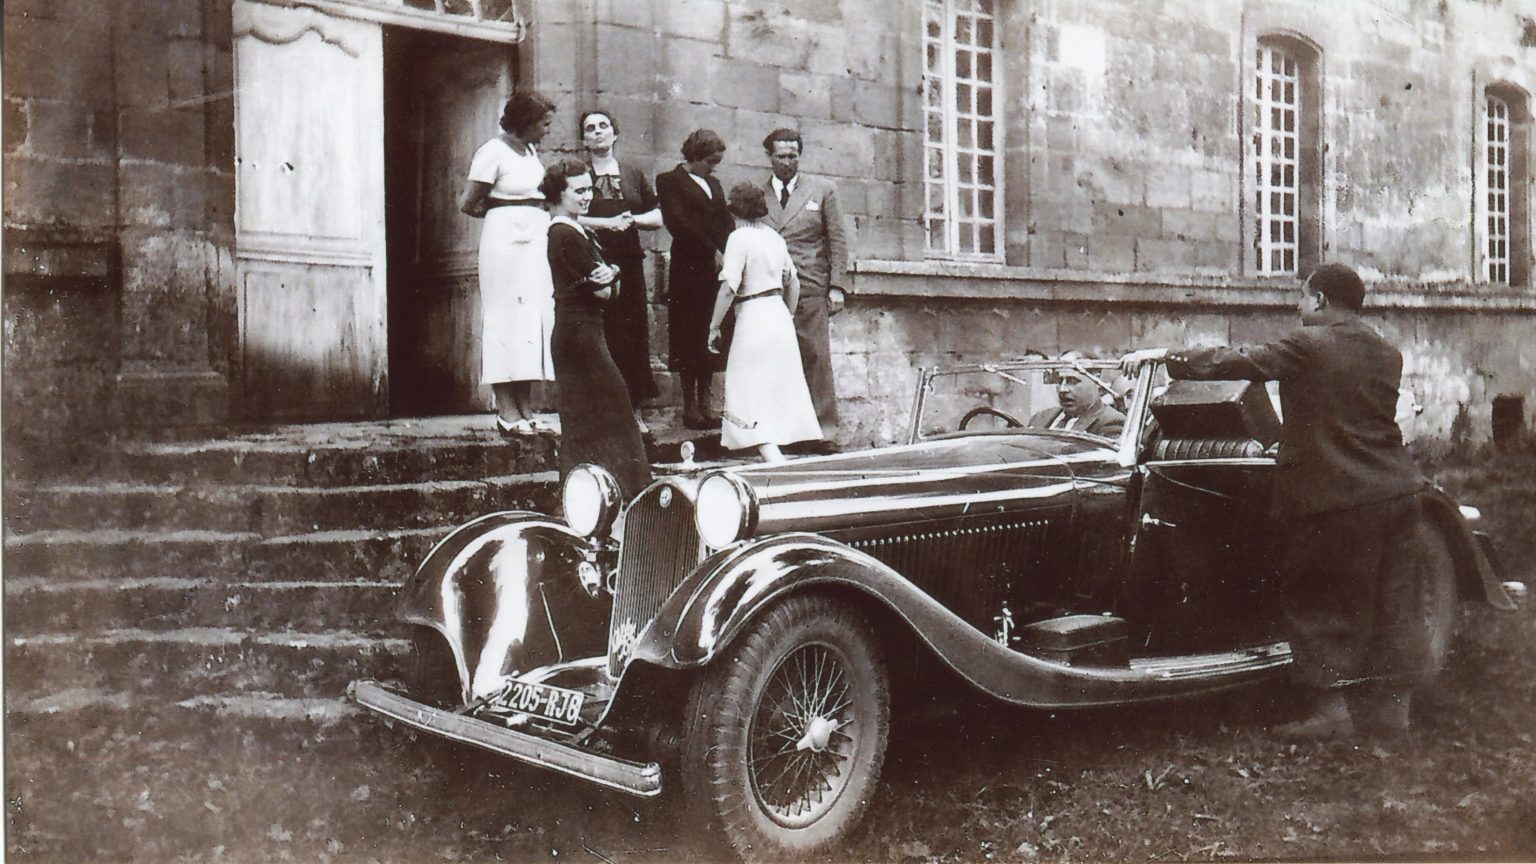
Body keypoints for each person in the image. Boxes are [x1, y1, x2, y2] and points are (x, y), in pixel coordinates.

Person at [1121, 263, 1430, 741]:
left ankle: (1332, 712)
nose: (1298, 306)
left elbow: (1240, 361)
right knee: (1396, 601)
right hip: (1398, 489)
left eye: (1303, 297)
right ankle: (1396, 712)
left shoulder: (1309, 344)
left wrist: (1166, 357)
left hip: (1335, 495)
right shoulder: (1387, 351)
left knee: (1320, 598)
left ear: (1322, 300)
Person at [543, 158, 651, 496]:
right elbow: (604, 291)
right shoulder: (563, 234)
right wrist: (613, 275)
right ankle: (621, 496)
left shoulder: (578, 231)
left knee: (590, 419)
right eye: (579, 191)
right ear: (558, 195)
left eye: (589, 188)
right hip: (579, 337)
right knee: (612, 414)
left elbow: (610, 289)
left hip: (584, 332)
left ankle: (594, 496)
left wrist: (614, 274)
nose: (587, 196)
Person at [460, 91, 558, 436]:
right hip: (505, 246)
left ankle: (527, 411)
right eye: (543, 124)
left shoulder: (531, 152)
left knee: (531, 322)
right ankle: (506, 412)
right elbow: (468, 203)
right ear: (525, 121)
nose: (547, 130)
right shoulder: (493, 151)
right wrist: (507, 213)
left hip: (535, 243)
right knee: (505, 320)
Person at [706, 184, 822, 462]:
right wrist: (788, 314)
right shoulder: (774, 237)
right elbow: (792, 281)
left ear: (734, 209)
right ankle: (772, 447)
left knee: (745, 382)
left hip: (753, 314)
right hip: (777, 312)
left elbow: (728, 287)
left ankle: (768, 449)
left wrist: (713, 326)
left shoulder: (738, 237)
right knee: (774, 382)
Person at [760, 128, 849, 443]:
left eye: (792, 156)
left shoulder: (822, 190)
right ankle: (784, 434)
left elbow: (837, 238)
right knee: (776, 359)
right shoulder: (758, 194)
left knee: (815, 357)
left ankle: (825, 433)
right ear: (769, 157)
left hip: (811, 285)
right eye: (781, 156)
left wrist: (837, 286)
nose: (787, 162)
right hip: (769, 289)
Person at [577, 110, 663, 430]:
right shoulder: (577, 174)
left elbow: (656, 217)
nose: (598, 132)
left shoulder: (633, 173)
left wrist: (631, 220)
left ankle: (634, 411)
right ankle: (601, 413)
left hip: (628, 264)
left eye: (604, 126)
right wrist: (606, 224)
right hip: (591, 261)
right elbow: (566, 215)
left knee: (632, 334)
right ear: (584, 139)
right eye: (590, 129)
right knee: (600, 333)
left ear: (615, 133)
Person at [656, 129, 734, 429]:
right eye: (710, 161)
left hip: (715, 270)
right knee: (688, 333)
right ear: (694, 156)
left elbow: (725, 221)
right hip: (689, 268)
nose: (714, 167)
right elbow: (678, 222)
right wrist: (711, 250)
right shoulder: (669, 180)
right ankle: (689, 405)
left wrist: (728, 249)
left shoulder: (714, 183)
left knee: (710, 332)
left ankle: (706, 402)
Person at [1027, 359, 1126, 438]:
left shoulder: (1112, 423)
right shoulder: (1040, 418)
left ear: (1096, 380)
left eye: (1072, 381)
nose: (1062, 389)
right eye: (1060, 381)